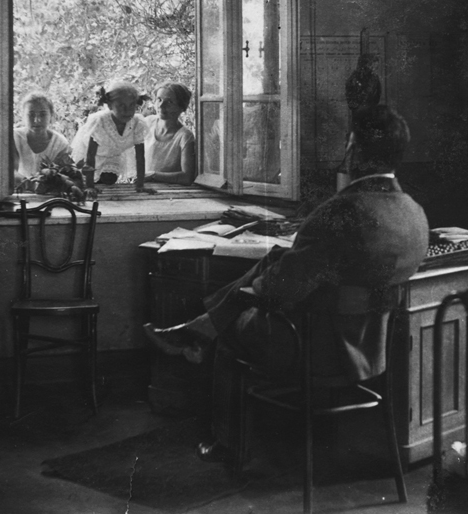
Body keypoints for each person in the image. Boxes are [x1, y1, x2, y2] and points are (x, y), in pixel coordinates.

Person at [143, 105, 430, 462]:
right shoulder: (414, 213)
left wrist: (255, 291)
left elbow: (280, 291)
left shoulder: (339, 212)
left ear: (354, 151)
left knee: (232, 325)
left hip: (316, 348)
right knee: (275, 259)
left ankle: (227, 441)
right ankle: (200, 329)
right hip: (374, 348)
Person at [71, 81, 154, 197]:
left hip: (113, 154)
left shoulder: (137, 123)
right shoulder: (100, 121)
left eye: (131, 105)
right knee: (83, 181)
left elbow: (140, 157)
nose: (127, 111)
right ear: (110, 105)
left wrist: (140, 185)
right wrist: (90, 186)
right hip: (91, 156)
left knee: (109, 179)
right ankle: (88, 183)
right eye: (121, 106)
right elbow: (90, 156)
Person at [13, 92, 71, 191]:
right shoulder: (15, 137)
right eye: (31, 115)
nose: (37, 120)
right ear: (22, 115)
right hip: (19, 190)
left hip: (48, 193)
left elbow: (60, 176)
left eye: (43, 115)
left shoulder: (60, 143)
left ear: (51, 115)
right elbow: (9, 172)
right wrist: (31, 185)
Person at [143, 82, 196, 185]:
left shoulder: (184, 136)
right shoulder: (147, 123)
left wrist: (153, 175)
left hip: (169, 191)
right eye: (159, 99)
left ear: (182, 107)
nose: (161, 105)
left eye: (169, 102)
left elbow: (187, 177)